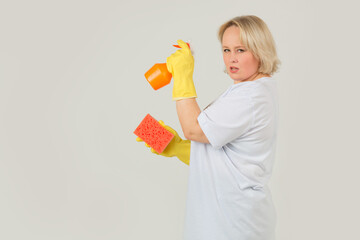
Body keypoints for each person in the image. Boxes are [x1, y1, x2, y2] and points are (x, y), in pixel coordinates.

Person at [137, 15, 280, 240]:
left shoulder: (251, 96)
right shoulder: (246, 90)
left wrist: (183, 76)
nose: (231, 58)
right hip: (221, 221)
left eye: (240, 50)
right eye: (226, 50)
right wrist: (176, 147)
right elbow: (221, 157)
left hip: (234, 223)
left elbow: (194, 129)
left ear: (260, 50)